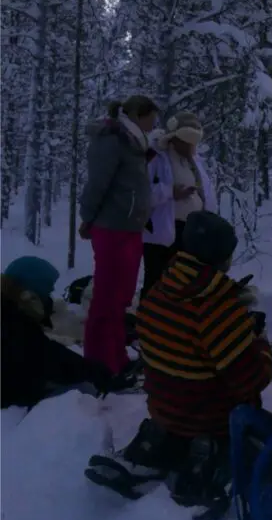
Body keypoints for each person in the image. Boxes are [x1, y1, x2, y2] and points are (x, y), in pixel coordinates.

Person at [87, 210, 272, 504]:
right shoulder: (216, 307)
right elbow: (250, 380)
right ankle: (210, 458)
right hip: (209, 419)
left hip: (164, 409)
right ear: (223, 257)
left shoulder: (159, 290)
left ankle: (159, 447)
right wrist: (259, 344)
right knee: (254, 413)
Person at [80, 94, 158, 376]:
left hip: (129, 228)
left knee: (121, 298)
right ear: (140, 115)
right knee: (106, 298)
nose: (154, 124)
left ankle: (117, 357)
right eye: (152, 118)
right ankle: (99, 363)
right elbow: (98, 182)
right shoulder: (113, 139)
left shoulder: (135, 142)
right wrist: (87, 217)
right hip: (111, 227)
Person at [1, 256, 112, 408]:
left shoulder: (9, 312)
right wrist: (93, 371)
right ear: (29, 296)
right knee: (80, 393)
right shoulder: (13, 324)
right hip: (9, 402)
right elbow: (47, 359)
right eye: (46, 294)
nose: (49, 300)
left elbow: (43, 350)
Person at [142, 111, 217, 297]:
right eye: (187, 141)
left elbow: (205, 193)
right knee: (157, 281)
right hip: (162, 233)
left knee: (184, 282)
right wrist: (170, 193)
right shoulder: (155, 158)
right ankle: (149, 321)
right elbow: (139, 193)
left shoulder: (195, 161)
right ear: (174, 139)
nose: (191, 146)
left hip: (190, 232)